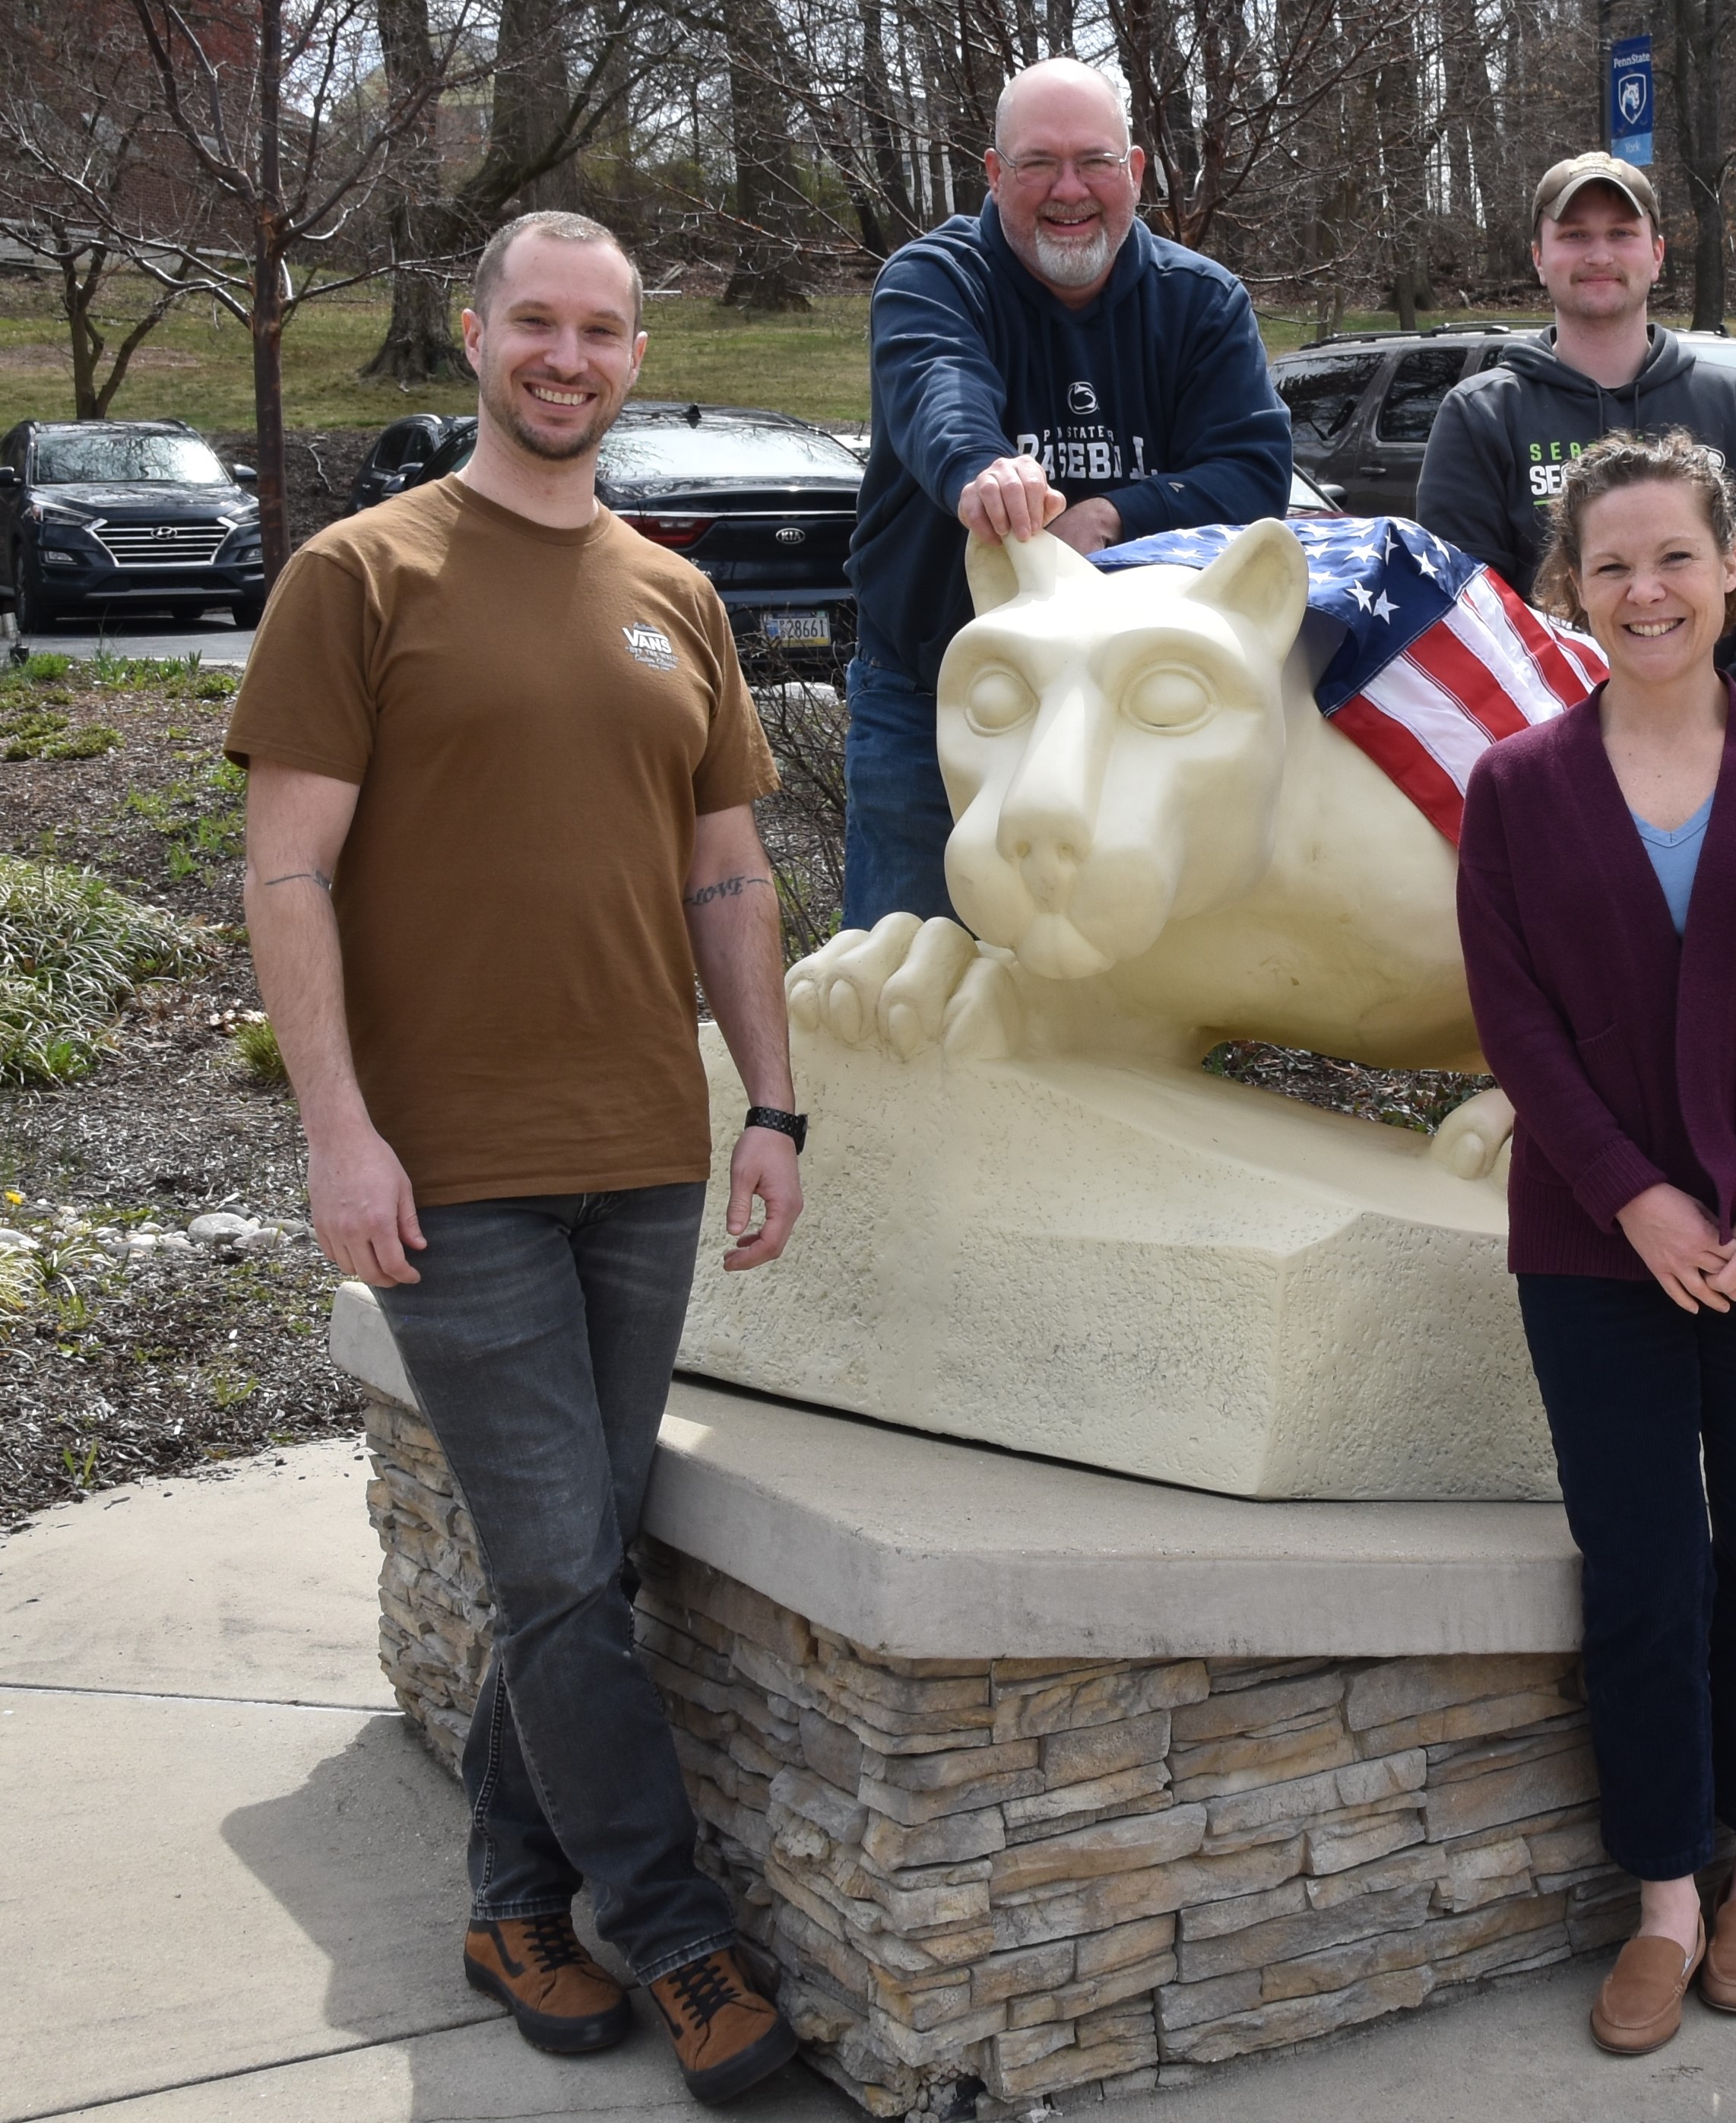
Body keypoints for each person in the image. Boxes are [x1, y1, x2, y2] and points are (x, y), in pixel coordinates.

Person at [230, 211, 809, 2107]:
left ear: (637, 354)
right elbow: (288, 869)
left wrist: (775, 1104)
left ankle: (507, 1900)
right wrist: (336, 1129)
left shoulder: (675, 592)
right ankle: (678, 1929)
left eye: (603, 331)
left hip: (642, 1150)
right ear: (474, 335)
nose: (567, 357)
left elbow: (728, 873)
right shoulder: (360, 573)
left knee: (582, 1567)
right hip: (449, 1168)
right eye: (534, 323)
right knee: (560, 1565)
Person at [1456, 430, 1736, 2056]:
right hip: (1592, 1250)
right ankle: (1659, 1895)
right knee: (1639, 1575)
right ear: (1564, 589)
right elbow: (1516, 1027)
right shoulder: (1510, 787)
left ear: (1733, 570)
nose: (1644, 588)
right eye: (1610, 562)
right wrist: (1634, 1196)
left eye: (1673, 556)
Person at [845, 56, 1294, 927]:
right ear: (992, 175)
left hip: (1127, 723)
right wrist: (984, 469)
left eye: (1093, 161)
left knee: (1096, 994)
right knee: (898, 973)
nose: (1068, 190)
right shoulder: (932, 281)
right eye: (1036, 164)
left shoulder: (1199, 303)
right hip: (937, 694)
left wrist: (1118, 513)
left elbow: (1250, 472)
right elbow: (938, 386)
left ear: (1132, 172)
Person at [1417, 152, 1736, 700]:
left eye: (1621, 233)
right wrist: (1561, 741)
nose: (1599, 254)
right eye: (1575, 235)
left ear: (1657, 255)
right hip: (1551, 743)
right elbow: (1469, 609)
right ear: (1539, 257)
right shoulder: (1480, 415)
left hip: (1724, 741)